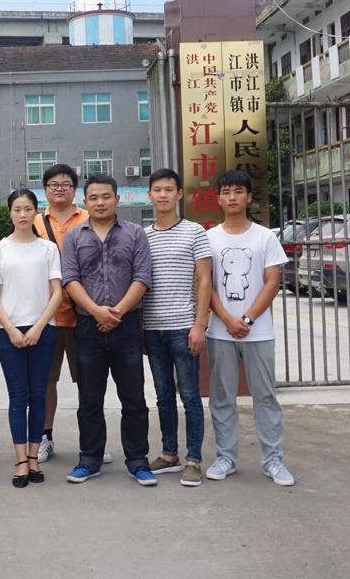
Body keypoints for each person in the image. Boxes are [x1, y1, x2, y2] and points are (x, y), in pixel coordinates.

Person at [61, 174, 155, 487]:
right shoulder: (74, 237)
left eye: (106, 196)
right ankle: (89, 459)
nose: (100, 202)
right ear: (84, 202)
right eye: (94, 198)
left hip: (127, 325)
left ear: (117, 198)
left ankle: (138, 460)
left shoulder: (135, 233)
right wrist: (97, 311)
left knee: (133, 397)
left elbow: (142, 277)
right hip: (88, 327)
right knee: (89, 398)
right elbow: (70, 279)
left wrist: (117, 312)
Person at [205, 170, 295, 487]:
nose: (232, 197)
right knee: (222, 397)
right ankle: (225, 457)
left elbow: (272, 283)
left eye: (238, 191)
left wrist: (247, 319)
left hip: (258, 332)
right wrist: (227, 319)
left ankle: (273, 460)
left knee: (265, 396)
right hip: (220, 331)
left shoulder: (264, 237)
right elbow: (205, 284)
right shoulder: (209, 238)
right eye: (226, 191)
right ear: (218, 198)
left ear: (249, 197)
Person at [34, 164, 114, 464]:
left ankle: (94, 442)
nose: (59, 189)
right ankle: (45, 437)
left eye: (66, 184)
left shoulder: (88, 218)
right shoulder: (35, 222)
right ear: (45, 190)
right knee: (46, 382)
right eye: (53, 184)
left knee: (90, 382)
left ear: (75, 189)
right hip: (48, 318)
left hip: (85, 315)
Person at [0, 189, 63, 488]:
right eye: (17, 209)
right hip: (9, 332)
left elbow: (56, 292)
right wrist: (11, 329)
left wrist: (39, 326)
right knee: (18, 398)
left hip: (43, 330)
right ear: (10, 212)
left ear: (36, 212)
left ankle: (34, 458)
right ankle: (21, 461)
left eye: (28, 209)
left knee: (38, 395)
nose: (22, 215)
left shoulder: (48, 249)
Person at [141, 169, 212, 488]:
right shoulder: (143, 236)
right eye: (157, 190)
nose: (163, 195)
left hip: (184, 327)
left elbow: (204, 280)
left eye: (169, 189)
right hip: (152, 329)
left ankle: (193, 459)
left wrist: (200, 324)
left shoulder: (195, 232)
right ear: (150, 195)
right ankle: (169, 454)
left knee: (191, 396)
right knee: (163, 396)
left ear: (180, 194)